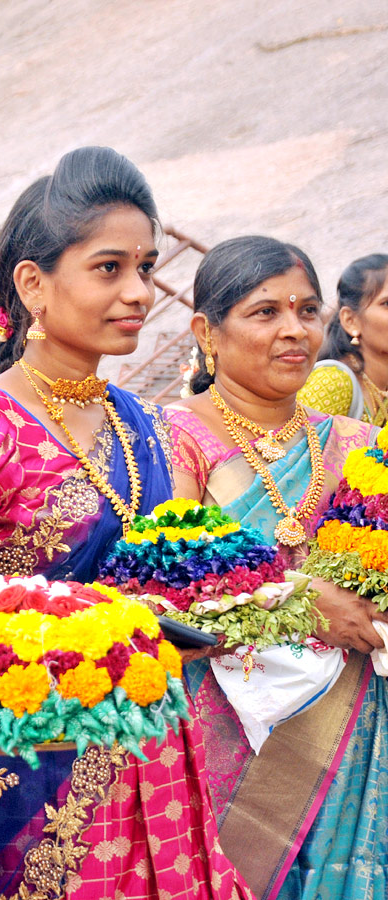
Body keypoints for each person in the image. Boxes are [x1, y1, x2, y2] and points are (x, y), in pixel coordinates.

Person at [0, 147, 252, 900]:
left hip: (157, 748)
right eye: (109, 269)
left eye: (146, 266)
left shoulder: (142, 421)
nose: (139, 291)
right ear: (33, 284)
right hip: (30, 769)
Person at [164, 235, 386, 900]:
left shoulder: (353, 440)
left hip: (364, 724)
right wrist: (302, 601)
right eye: (265, 313)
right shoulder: (177, 438)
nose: (294, 331)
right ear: (208, 331)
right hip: (238, 732)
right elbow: (165, 598)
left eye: (307, 310)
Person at [298, 253, 388, 424]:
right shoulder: (332, 382)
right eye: (387, 303)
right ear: (350, 321)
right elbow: (288, 448)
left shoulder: (382, 387)